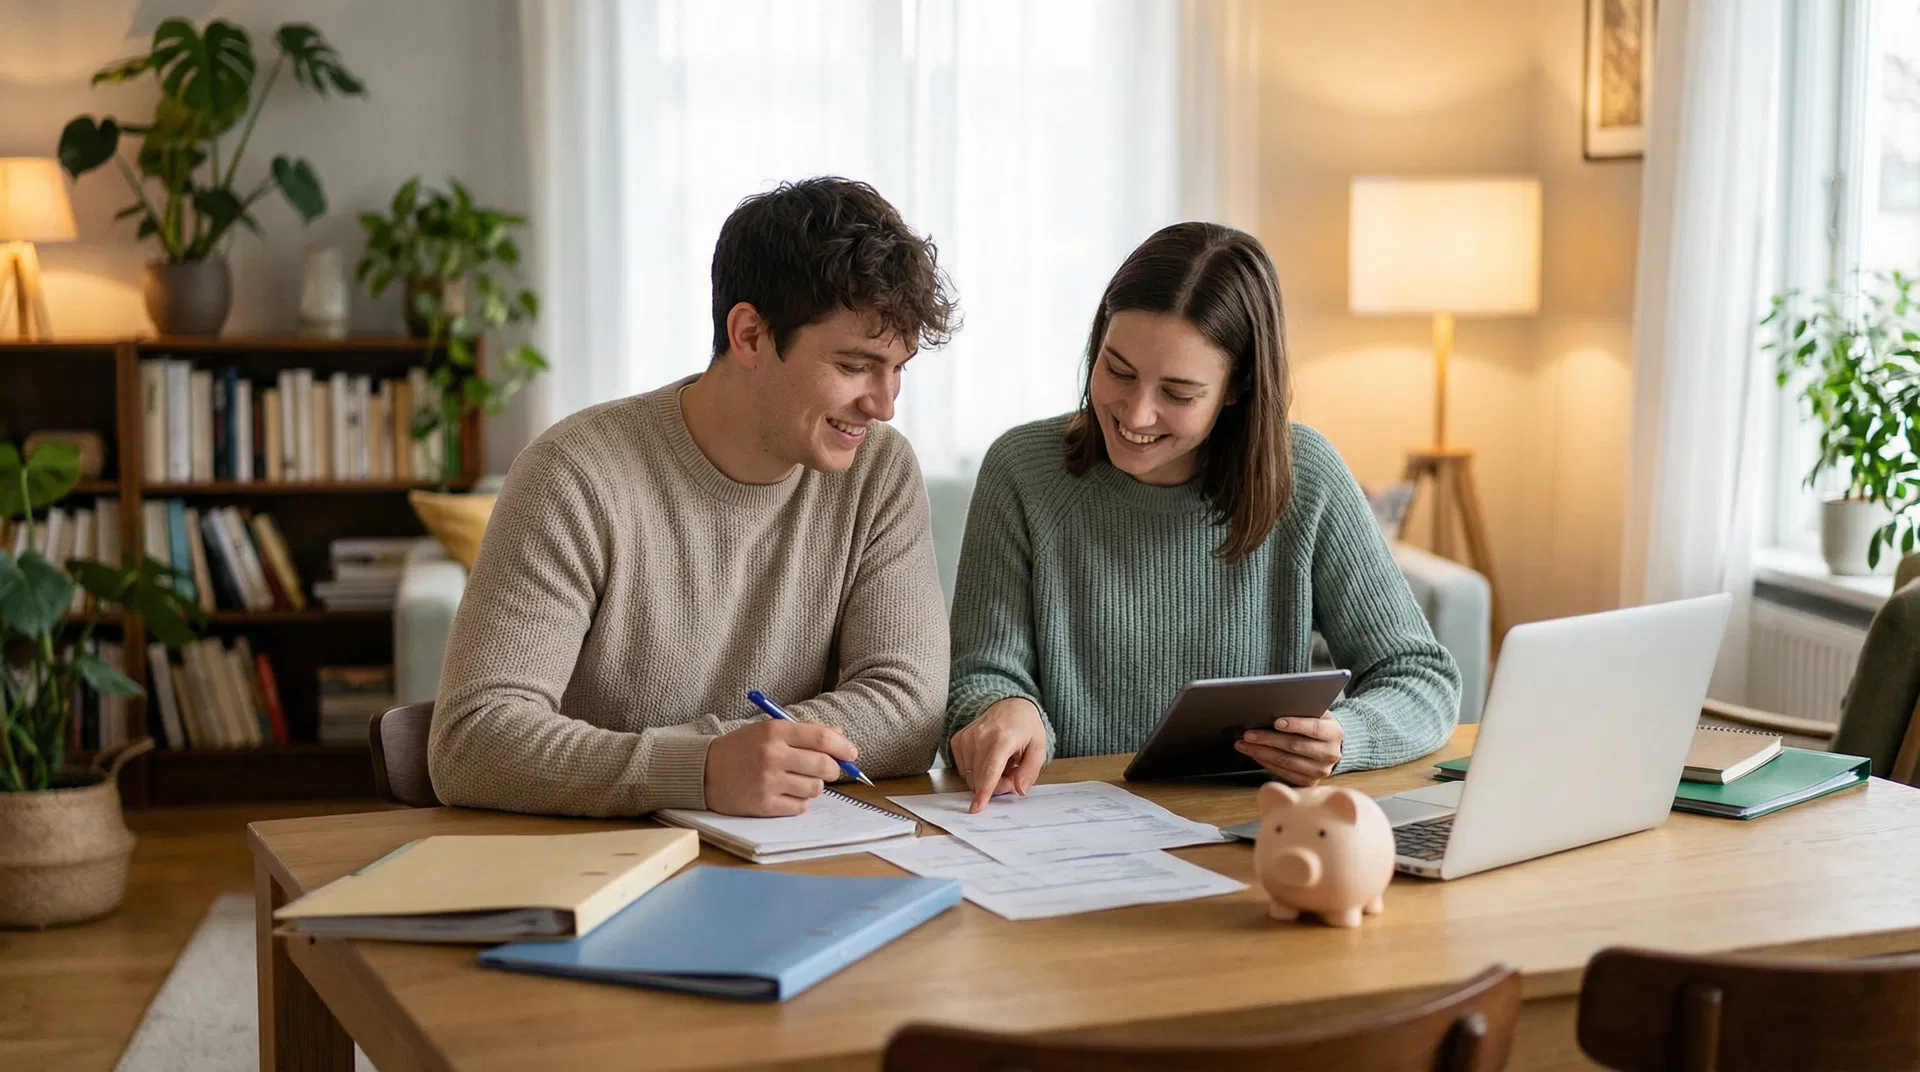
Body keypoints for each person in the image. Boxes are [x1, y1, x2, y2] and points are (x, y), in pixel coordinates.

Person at [429, 177, 957, 818]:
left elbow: (909, 707)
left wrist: (739, 757)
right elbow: (472, 740)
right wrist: (700, 769)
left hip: (803, 859)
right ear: (751, 335)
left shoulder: (879, 471)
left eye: (897, 368)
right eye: (854, 366)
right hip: (605, 870)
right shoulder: (574, 475)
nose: (883, 404)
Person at [945, 222, 1460, 812]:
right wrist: (1004, 709)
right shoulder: (1022, 469)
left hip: (1246, 830)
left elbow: (1420, 677)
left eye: (1179, 392)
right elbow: (980, 673)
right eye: (1117, 369)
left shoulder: (1305, 475)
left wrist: (1345, 738)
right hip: (1062, 826)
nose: (1135, 412)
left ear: (1237, 387)